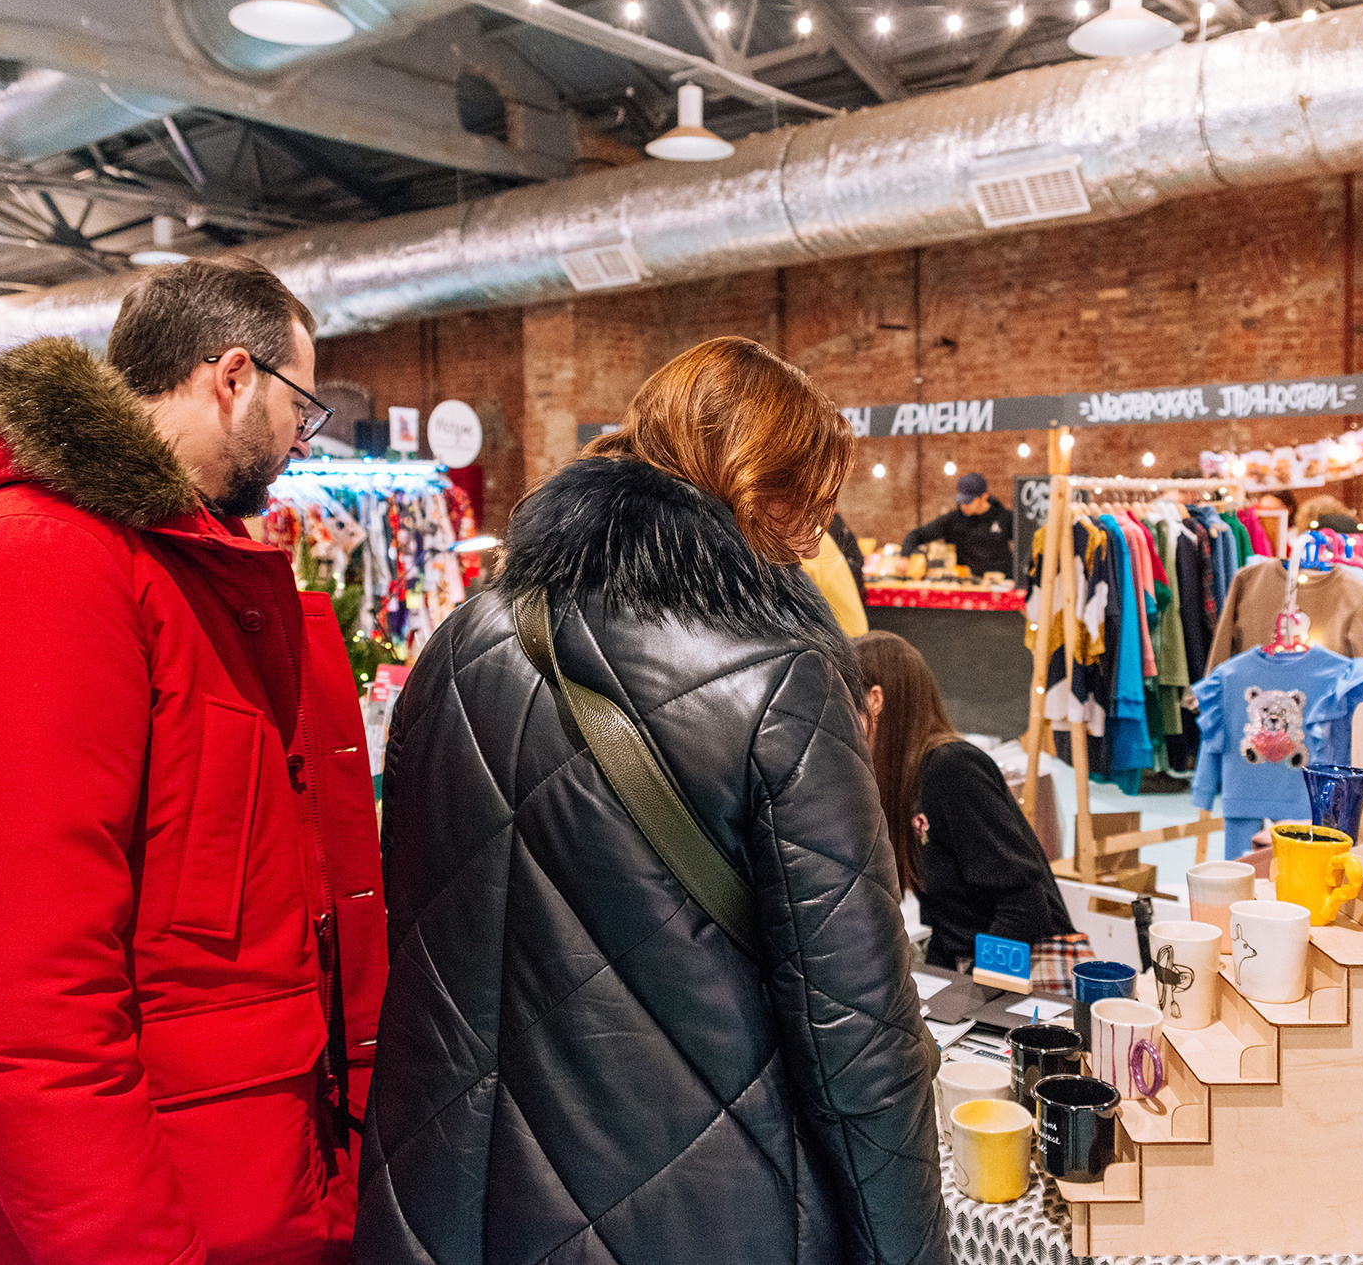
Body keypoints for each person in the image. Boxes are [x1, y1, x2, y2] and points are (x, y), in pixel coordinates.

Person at [358, 337, 947, 1264]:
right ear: (756, 486)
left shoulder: (459, 640)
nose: (819, 533)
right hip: (699, 1210)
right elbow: (858, 1035)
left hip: (448, 1193)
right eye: (813, 501)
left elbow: (417, 912)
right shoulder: (783, 679)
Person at [0, 257, 388, 1264]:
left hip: (243, 1175)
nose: (300, 435)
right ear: (233, 376)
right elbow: (20, 989)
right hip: (163, 1206)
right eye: (302, 402)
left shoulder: (181, 566)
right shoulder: (37, 562)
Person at [854, 631, 1071, 973]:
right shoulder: (900, 780)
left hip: (1021, 975)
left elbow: (1026, 905)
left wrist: (978, 985)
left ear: (875, 700)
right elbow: (947, 924)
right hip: (967, 972)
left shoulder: (951, 767)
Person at [901, 470, 1015, 577]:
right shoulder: (954, 520)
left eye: (969, 502)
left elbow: (1025, 544)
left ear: (984, 497)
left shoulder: (1004, 517)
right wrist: (905, 556)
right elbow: (917, 535)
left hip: (1002, 582)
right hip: (968, 585)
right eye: (961, 501)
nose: (964, 506)